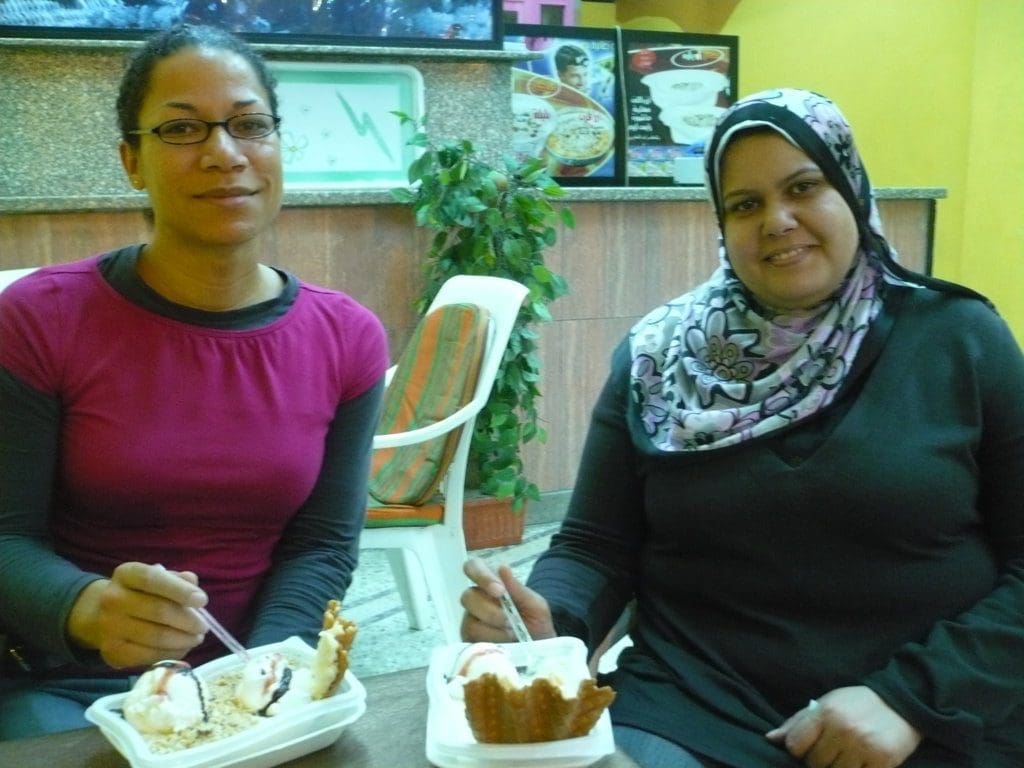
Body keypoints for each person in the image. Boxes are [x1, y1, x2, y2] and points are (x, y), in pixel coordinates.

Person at [461, 88, 1024, 767]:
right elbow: (595, 544)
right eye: (745, 204)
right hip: (694, 706)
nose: (777, 220)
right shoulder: (660, 360)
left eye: (804, 187)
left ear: (850, 187)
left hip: (919, 718)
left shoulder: (959, 341)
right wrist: (549, 619)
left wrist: (909, 699)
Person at [0, 24, 388, 740]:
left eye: (249, 125)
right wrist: (86, 607)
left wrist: (263, 680)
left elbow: (323, 546)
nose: (224, 153)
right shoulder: (37, 320)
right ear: (132, 160)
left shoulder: (347, 339)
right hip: (75, 687)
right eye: (182, 128)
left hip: (258, 676)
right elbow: (6, 535)